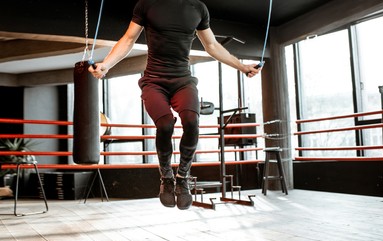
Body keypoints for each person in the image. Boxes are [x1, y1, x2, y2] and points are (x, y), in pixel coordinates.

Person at [89, 0, 260, 210]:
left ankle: (183, 176)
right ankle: (166, 175)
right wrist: (105, 65)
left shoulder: (198, 8)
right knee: (165, 125)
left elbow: (212, 45)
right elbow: (128, 39)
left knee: (191, 121)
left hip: (183, 80)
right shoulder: (147, 5)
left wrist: (242, 66)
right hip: (154, 81)